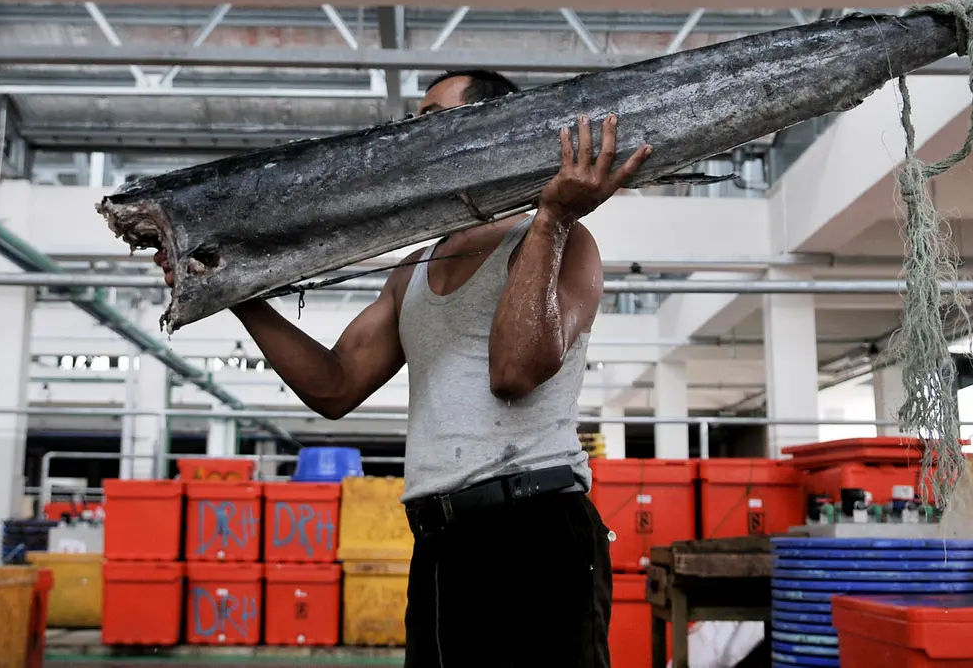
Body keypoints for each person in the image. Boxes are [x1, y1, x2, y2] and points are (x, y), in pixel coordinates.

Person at [154, 68, 653, 667]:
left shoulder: (562, 240)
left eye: (433, 121)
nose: (413, 139)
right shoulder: (413, 268)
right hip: (441, 541)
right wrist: (233, 291)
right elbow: (335, 387)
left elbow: (515, 371)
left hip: (536, 530)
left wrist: (551, 217)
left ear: (492, 129)